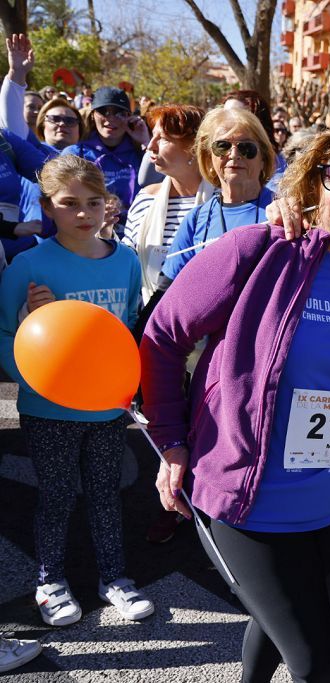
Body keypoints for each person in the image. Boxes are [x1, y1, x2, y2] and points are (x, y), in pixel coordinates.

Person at [141, 127, 330, 682]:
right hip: (251, 504)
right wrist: (170, 441)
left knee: (275, 626)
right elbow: (162, 335)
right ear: (313, 183)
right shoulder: (258, 250)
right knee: (318, 657)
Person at [0, 155, 150, 628]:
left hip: (106, 407)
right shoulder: (28, 265)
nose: (83, 213)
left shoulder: (125, 260)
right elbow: (7, 336)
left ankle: (114, 578)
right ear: (48, 206)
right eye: (69, 204)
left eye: (93, 202)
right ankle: (50, 581)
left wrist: (130, 388)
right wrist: (30, 325)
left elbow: (126, 329)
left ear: (108, 205)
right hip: (49, 409)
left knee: (107, 493)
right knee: (57, 495)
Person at [160, 106, 275, 281]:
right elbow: (166, 290)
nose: (234, 154)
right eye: (222, 146)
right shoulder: (197, 219)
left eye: (246, 147)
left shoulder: (282, 210)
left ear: (263, 158)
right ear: (209, 158)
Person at [122, 104, 212, 307]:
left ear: (193, 146)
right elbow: (128, 261)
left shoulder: (223, 202)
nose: (150, 146)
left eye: (162, 139)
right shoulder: (145, 199)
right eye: (152, 136)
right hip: (149, 319)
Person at [62, 86, 149, 235]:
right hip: (87, 233)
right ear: (92, 115)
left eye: (120, 113)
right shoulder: (76, 153)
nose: (111, 119)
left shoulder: (141, 153)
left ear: (130, 117)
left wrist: (146, 142)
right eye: (104, 112)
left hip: (136, 234)